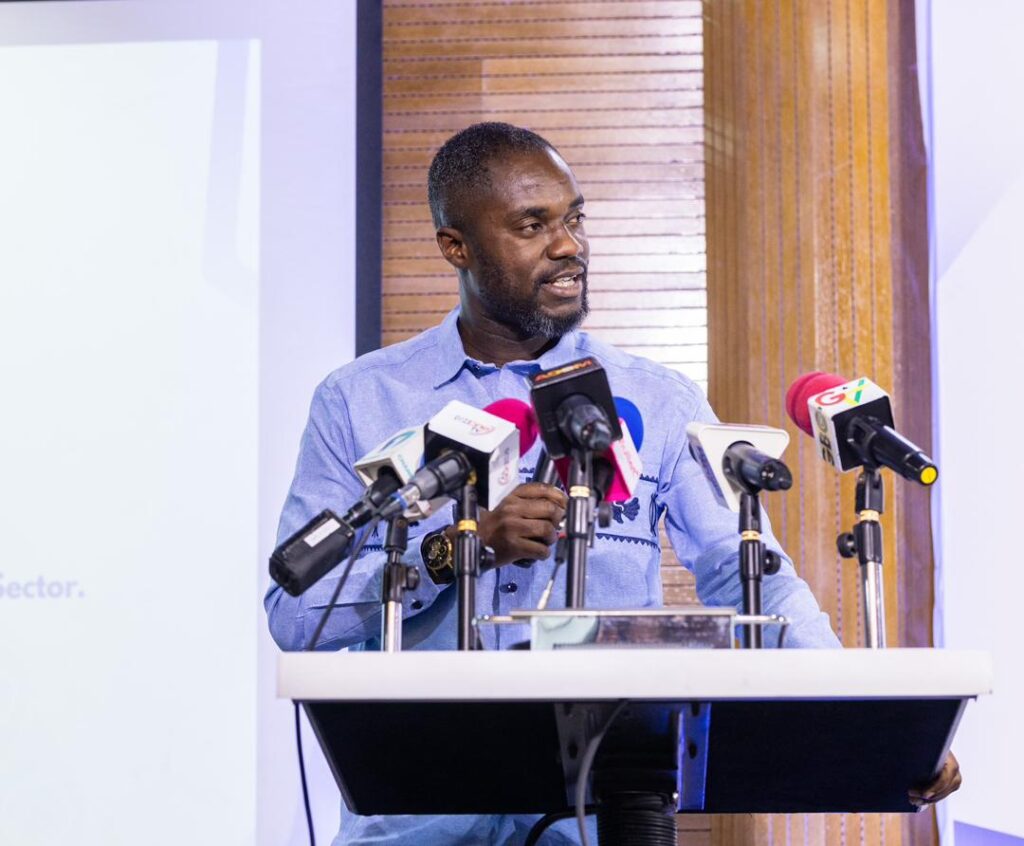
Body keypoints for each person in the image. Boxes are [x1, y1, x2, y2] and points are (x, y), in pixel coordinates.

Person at [265, 122, 959, 844]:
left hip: (600, 819)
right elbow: (296, 616)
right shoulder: (361, 400)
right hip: (419, 820)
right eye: (532, 226)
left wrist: (874, 721)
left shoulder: (657, 400)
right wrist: (453, 551)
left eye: (574, 218)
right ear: (455, 247)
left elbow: (751, 573)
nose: (568, 246)